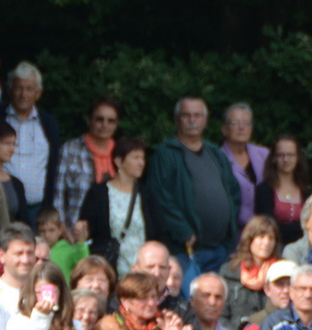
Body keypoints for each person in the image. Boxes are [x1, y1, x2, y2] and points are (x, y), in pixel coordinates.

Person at [147, 96, 241, 287]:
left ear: (205, 120)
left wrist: (229, 231)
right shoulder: (166, 154)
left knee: (215, 299)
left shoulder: (216, 154)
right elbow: (159, 197)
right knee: (187, 299)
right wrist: (184, 231)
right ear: (177, 120)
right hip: (184, 249)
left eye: (197, 116)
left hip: (220, 249)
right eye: (186, 115)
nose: (192, 120)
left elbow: (234, 193)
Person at [0, 62, 57, 224]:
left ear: (38, 93)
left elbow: (53, 167)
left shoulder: (49, 124)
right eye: (19, 88)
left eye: (29, 89)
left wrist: (48, 207)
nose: (23, 94)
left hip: (39, 210)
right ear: (9, 89)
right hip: (2, 206)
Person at [77, 137, 157, 279]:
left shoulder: (147, 195)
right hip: (110, 269)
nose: (141, 163)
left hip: (142, 273)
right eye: (136, 158)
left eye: (142, 158)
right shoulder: (99, 193)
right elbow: (88, 230)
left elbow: (158, 233)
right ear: (119, 161)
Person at [54, 98, 121, 233]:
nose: (104, 125)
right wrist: (61, 226)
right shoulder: (70, 149)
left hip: (113, 231)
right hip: (75, 229)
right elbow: (58, 193)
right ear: (89, 120)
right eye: (99, 119)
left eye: (110, 121)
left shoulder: (121, 152)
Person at [217, 215, 282, 326]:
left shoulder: (281, 272)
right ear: (250, 239)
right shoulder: (229, 272)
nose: (266, 242)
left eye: (271, 238)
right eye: (261, 237)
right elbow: (221, 315)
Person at [252, 134, 311, 244]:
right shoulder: (264, 190)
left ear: (298, 158)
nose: (286, 159)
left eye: (291, 155)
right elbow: (268, 225)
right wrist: (299, 228)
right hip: (273, 246)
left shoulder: (306, 191)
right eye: (281, 155)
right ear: (274, 158)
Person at [219, 103, 270, 226]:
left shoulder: (265, 155)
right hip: (233, 230)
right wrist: (254, 224)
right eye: (235, 123)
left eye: (246, 123)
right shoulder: (218, 159)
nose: (241, 128)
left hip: (267, 229)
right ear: (224, 129)